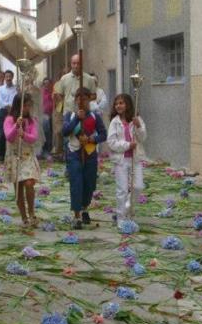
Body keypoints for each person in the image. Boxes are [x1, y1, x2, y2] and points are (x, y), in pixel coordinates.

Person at [62, 87, 107, 230]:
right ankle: (76, 216)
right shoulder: (69, 115)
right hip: (74, 153)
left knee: (89, 184)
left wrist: (92, 139)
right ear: (75, 100)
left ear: (89, 100)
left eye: (85, 99)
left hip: (90, 153)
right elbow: (65, 131)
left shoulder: (95, 116)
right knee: (76, 184)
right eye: (79, 99)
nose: (82, 102)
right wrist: (77, 118)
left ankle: (84, 207)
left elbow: (103, 134)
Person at [107, 93, 146, 226]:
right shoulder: (115, 122)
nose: (118, 106)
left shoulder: (136, 119)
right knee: (122, 190)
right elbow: (111, 142)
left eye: (121, 103)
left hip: (135, 159)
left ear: (128, 104)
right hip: (121, 160)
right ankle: (121, 218)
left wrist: (138, 126)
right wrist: (127, 145)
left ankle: (128, 208)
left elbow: (143, 138)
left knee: (138, 186)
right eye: (116, 104)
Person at [4, 93, 40, 227]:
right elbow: (8, 137)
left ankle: (31, 212)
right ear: (18, 106)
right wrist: (16, 126)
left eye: (29, 106)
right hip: (14, 157)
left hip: (27, 156)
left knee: (29, 183)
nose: (27, 108)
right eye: (25, 105)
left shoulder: (31, 121)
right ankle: (24, 217)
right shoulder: (9, 120)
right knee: (18, 188)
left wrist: (24, 134)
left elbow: (34, 138)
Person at [54, 55, 97, 157]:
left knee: (84, 140)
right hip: (69, 114)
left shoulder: (89, 79)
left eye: (78, 63)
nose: (76, 66)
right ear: (71, 64)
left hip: (84, 114)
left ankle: (87, 159)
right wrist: (63, 101)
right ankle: (70, 161)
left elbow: (94, 95)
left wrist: (84, 100)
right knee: (69, 140)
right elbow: (59, 94)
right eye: (74, 63)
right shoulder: (64, 78)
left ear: (82, 64)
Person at [0, 69, 18, 161]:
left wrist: (11, 107)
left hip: (13, 113)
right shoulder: (0, 89)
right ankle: (2, 155)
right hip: (3, 112)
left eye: (10, 76)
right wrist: (8, 106)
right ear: (4, 78)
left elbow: (16, 100)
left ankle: (12, 154)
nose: (8, 78)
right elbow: (0, 101)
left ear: (12, 77)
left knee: (12, 133)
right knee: (2, 134)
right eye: (7, 76)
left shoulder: (16, 89)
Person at [41, 77, 54, 156]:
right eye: (45, 83)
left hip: (53, 115)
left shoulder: (53, 92)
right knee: (46, 132)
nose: (46, 85)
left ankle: (51, 149)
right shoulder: (41, 92)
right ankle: (46, 150)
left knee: (52, 133)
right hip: (44, 115)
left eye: (48, 83)